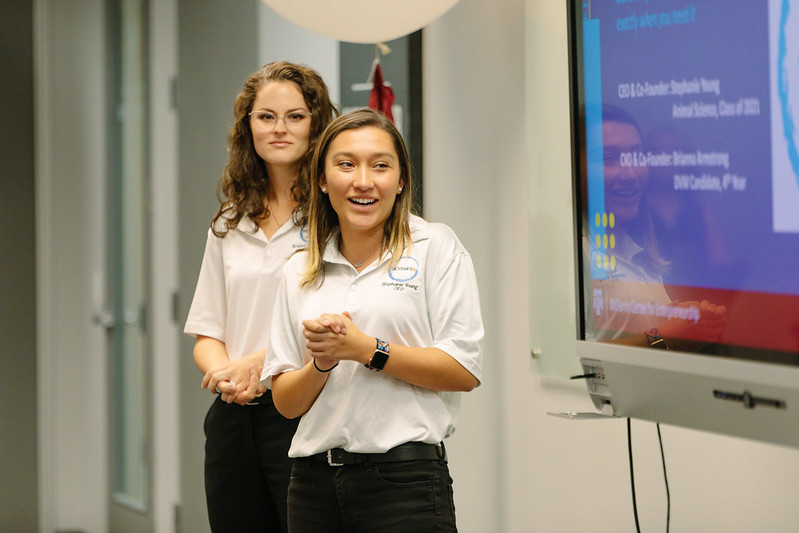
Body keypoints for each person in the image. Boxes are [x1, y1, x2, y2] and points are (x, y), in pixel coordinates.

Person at [263, 108, 484, 533]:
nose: (363, 181)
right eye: (346, 164)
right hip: (312, 488)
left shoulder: (434, 246)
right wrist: (323, 363)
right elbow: (286, 403)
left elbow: (463, 370)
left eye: (380, 165)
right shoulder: (300, 269)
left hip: (405, 485)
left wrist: (366, 350)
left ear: (401, 180)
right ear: (323, 180)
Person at [183, 60, 337, 532]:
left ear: (316, 123)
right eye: (265, 116)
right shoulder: (230, 221)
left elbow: (333, 321)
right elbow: (207, 333)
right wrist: (226, 375)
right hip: (232, 419)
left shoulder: (332, 219)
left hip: (303, 412)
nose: (279, 128)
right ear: (247, 126)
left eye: (295, 115)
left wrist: (256, 365)